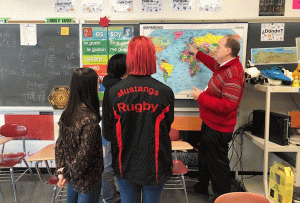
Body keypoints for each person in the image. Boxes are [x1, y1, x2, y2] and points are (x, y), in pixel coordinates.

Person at [103, 36, 175, 203]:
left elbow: (108, 133)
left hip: (125, 163)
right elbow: (167, 126)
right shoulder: (165, 92)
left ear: (130, 57)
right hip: (156, 164)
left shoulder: (113, 92)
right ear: (152, 58)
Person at [189, 35, 245, 200]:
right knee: (205, 157)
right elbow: (212, 63)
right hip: (209, 122)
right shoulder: (225, 66)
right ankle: (202, 187)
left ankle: (223, 197)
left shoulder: (233, 72)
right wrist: (197, 53)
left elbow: (228, 105)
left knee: (218, 164)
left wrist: (200, 97)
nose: (215, 49)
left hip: (219, 127)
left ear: (228, 51)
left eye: (218, 47)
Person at [55, 68, 103, 203]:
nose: (99, 85)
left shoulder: (68, 113)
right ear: (90, 88)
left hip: (72, 177)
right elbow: (84, 156)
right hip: (87, 180)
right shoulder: (90, 119)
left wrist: (61, 172)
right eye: (97, 82)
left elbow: (60, 146)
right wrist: (66, 173)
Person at [102, 53, 127, 203]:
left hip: (109, 132)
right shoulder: (117, 88)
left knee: (109, 167)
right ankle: (110, 198)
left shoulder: (109, 84)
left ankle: (111, 195)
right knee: (109, 168)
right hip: (113, 134)